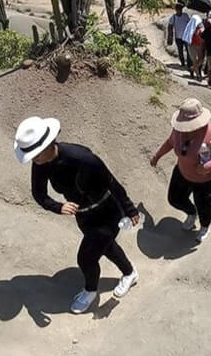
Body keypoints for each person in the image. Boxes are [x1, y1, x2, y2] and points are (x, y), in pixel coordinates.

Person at [15, 116, 140, 314]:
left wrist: (130, 209)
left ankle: (90, 291)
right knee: (105, 247)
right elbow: (38, 193)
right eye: (31, 156)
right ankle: (130, 273)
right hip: (83, 215)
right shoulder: (40, 164)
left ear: (49, 144)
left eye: (36, 154)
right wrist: (57, 206)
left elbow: (111, 181)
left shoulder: (82, 157)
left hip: (107, 211)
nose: (34, 160)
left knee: (86, 258)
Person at [150, 99, 211, 243]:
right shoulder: (178, 131)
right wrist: (157, 156)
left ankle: (204, 227)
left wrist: (207, 166)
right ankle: (191, 212)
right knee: (174, 198)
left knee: (203, 205)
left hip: (206, 180)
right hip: (182, 173)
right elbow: (170, 142)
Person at [167, 1, 191, 70]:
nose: (179, 10)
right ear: (176, 10)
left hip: (186, 36)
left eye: (180, 9)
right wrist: (170, 36)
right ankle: (183, 63)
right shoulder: (173, 17)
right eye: (178, 9)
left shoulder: (185, 16)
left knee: (188, 51)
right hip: (178, 37)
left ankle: (189, 64)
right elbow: (170, 26)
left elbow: (189, 24)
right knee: (180, 51)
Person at [183, 13, 205, 81]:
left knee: (201, 59)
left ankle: (192, 68)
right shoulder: (190, 27)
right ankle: (198, 75)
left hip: (198, 45)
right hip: (191, 45)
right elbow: (188, 36)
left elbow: (202, 32)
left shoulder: (200, 26)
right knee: (194, 60)